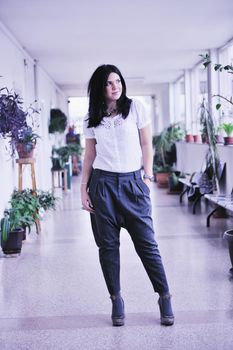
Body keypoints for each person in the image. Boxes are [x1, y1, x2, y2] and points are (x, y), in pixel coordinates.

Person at [81, 64, 174, 327]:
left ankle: (164, 295)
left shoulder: (135, 108)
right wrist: (83, 189)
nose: (116, 86)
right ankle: (116, 299)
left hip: (133, 184)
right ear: (100, 87)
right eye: (109, 83)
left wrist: (146, 176)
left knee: (147, 245)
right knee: (108, 248)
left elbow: (146, 143)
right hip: (102, 187)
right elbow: (89, 155)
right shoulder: (91, 118)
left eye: (118, 81)